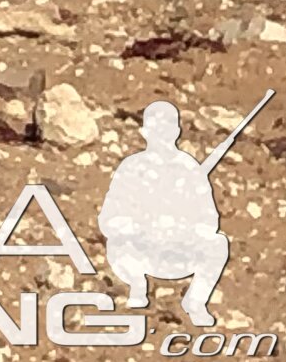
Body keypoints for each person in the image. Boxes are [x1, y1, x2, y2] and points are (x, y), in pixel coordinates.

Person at [101, 100, 235, 326]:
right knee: (117, 244)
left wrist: (183, 229)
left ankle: (195, 301)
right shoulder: (131, 168)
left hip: (179, 253)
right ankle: (136, 285)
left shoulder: (190, 168)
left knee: (218, 244)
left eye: (167, 128)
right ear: (145, 132)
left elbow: (209, 219)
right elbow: (108, 220)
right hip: (141, 252)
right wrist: (138, 226)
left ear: (177, 131)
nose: (162, 135)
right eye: (156, 129)